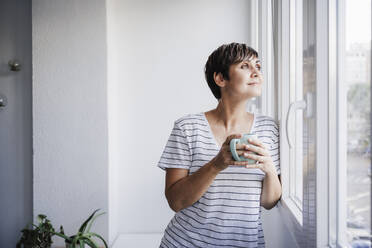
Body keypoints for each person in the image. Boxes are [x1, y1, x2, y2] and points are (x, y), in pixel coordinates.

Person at [157, 42, 282, 248]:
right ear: (220, 78)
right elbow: (176, 202)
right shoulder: (187, 127)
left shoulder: (269, 128)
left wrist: (268, 167)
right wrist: (216, 164)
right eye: (245, 66)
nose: (256, 73)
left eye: (258, 66)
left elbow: (268, 203)